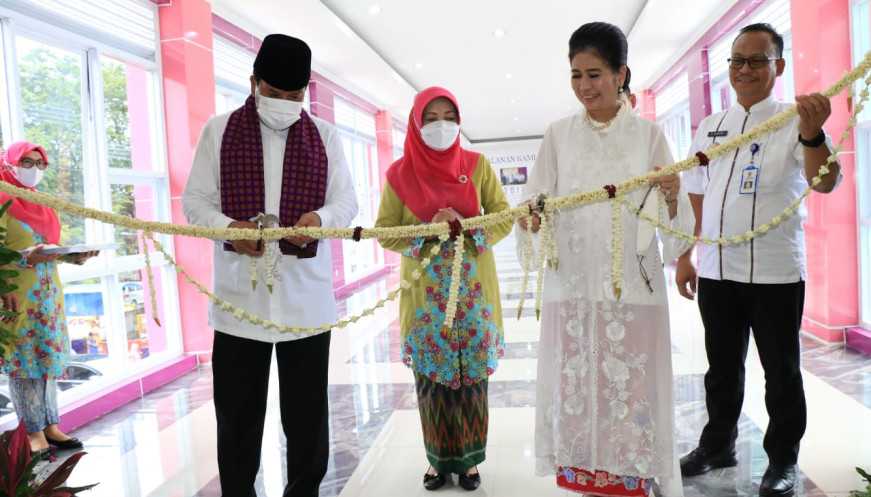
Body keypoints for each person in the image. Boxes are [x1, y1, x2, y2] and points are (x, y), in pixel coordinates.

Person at [182, 34, 358, 497]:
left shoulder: (325, 135)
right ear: (253, 82)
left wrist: (319, 220)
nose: (284, 104)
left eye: (294, 97)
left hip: (305, 305)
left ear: (305, 94)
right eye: (274, 95)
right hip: (240, 305)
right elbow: (195, 203)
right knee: (237, 425)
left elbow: (347, 202)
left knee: (307, 423)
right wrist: (230, 229)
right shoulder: (219, 132)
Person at [520, 22, 692, 496]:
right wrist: (532, 217)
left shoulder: (649, 136)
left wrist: (673, 196)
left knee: (632, 393)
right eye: (575, 75)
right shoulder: (557, 136)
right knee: (578, 395)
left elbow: (674, 228)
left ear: (622, 74)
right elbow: (534, 202)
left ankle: (633, 479)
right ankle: (587, 478)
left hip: (632, 294)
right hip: (573, 293)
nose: (583, 87)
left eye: (594, 74)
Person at [676, 23, 840, 497]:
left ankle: (782, 460)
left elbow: (824, 182)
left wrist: (812, 135)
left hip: (774, 272)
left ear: (778, 66)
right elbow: (697, 196)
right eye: (736, 61)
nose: (743, 69)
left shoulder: (796, 119)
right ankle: (717, 445)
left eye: (756, 60)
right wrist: (688, 254)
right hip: (718, 272)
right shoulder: (712, 126)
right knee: (721, 368)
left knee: (781, 372)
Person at [375, 86, 512, 491]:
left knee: (471, 383)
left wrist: (465, 228)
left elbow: (504, 216)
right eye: (430, 118)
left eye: (447, 117)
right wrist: (429, 232)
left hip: (473, 294)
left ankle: (469, 461)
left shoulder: (477, 164)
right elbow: (384, 232)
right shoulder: (399, 175)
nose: (441, 126)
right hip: (424, 299)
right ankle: (437, 461)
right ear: (417, 123)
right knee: (432, 385)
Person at [0, 141, 97, 455]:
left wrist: (73, 257)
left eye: (40, 164)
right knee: (24, 363)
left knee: (47, 359)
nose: (34, 170)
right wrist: (24, 260)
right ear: (9, 163)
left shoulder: (43, 202)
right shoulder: (1, 199)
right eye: (26, 162)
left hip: (48, 296)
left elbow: (48, 250)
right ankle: (32, 433)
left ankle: (51, 425)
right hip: (16, 294)